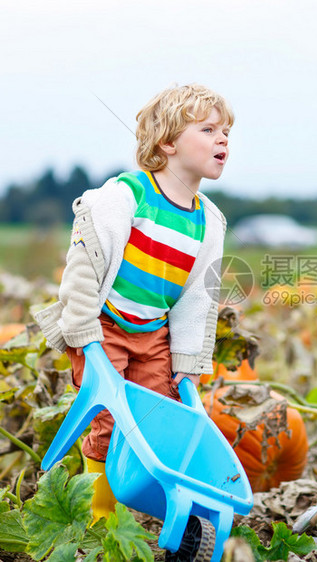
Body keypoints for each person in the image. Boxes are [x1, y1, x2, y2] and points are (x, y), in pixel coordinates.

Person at [34, 83, 232, 522]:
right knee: (108, 420)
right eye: (209, 130)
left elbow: (197, 300)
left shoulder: (208, 222)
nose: (223, 140)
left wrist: (187, 361)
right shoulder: (127, 196)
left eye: (227, 133)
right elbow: (86, 262)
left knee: (155, 420)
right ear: (168, 141)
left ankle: (141, 506)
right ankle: (101, 518)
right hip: (104, 327)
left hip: (153, 333)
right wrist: (83, 333)